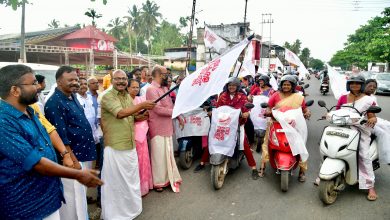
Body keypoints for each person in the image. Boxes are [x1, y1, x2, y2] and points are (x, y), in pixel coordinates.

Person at [0, 64, 102, 219]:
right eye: (33, 83)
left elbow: (50, 135)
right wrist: (77, 174)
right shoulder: (3, 122)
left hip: (47, 196)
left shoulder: (31, 110)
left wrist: (64, 153)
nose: (39, 87)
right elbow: (36, 162)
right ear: (15, 90)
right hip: (26, 206)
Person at [100, 70, 155, 219]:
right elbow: (120, 114)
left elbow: (130, 116)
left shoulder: (126, 96)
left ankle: (131, 209)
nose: (121, 81)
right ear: (111, 80)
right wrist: (142, 104)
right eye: (118, 79)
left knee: (130, 180)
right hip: (115, 146)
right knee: (116, 183)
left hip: (130, 144)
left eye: (124, 79)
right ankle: (116, 214)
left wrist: (141, 115)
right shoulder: (107, 96)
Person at [45, 66, 97, 219]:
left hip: (83, 154)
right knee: (72, 197)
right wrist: (72, 160)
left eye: (76, 79)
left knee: (80, 195)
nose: (75, 83)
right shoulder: (54, 103)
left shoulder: (72, 96)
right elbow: (61, 136)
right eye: (70, 80)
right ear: (59, 82)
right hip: (72, 159)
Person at [205, 77, 259, 179]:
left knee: (244, 145)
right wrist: (212, 112)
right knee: (212, 139)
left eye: (234, 85)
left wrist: (247, 113)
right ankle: (203, 162)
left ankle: (254, 167)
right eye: (230, 85)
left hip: (237, 124)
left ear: (237, 86)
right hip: (223, 124)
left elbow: (246, 108)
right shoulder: (222, 96)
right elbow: (218, 107)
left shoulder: (242, 96)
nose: (231, 87)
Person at [335, 75, 378, 201]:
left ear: (362, 85)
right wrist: (329, 114)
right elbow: (336, 111)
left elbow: (371, 114)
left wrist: (372, 118)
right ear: (349, 85)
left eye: (358, 83)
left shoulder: (368, 100)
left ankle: (370, 186)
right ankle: (323, 175)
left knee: (364, 155)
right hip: (342, 127)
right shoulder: (343, 97)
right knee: (329, 146)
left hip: (360, 129)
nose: (355, 85)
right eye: (352, 83)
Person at [260, 75, 311, 180]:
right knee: (266, 143)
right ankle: (262, 167)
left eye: (288, 85)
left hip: (294, 126)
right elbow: (269, 108)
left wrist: (307, 113)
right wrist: (268, 112)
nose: (286, 86)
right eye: (284, 84)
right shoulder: (275, 95)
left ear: (292, 86)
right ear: (281, 85)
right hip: (276, 123)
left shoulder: (299, 97)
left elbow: (305, 110)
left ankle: (302, 171)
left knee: (301, 145)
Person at [146, 66, 182, 192]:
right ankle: (158, 182)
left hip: (167, 126)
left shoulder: (165, 88)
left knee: (167, 155)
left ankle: (167, 178)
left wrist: (177, 115)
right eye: (166, 74)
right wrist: (175, 112)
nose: (168, 76)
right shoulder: (151, 89)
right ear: (160, 75)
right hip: (157, 127)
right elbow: (158, 109)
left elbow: (169, 105)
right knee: (159, 157)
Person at [128, 79, 154, 196]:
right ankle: (134, 188)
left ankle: (144, 187)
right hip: (129, 134)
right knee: (133, 162)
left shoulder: (141, 99)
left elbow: (147, 115)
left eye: (137, 87)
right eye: (133, 87)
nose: (135, 89)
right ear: (127, 88)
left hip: (142, 133)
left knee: (143, 160)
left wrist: (138, 116)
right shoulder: (125, 101)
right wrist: (137, 117)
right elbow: (130, 117)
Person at [249, 75, 276, 153]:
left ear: (266, 81)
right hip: (256, 111)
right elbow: (250, 96)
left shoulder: (272, 91)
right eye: (259, 81)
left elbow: (274, 100)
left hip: (266, 111)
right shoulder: (256, 89)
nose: (260, 82)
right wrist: (250, 97)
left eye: (261, 81)